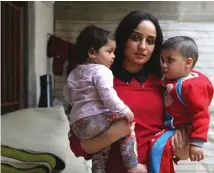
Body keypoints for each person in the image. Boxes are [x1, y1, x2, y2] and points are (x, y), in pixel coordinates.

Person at [68, 11, 190, 173]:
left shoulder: (166, 85)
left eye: (150, 41)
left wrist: (182, 152)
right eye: (136, 38)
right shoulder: (100, 82)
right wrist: (112, 135)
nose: (143, 47)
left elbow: (179, 133)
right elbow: (76, 146)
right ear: (123, 39)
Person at [64, 25, 146, 173]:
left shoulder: (75, 72)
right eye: (109, 51)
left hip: (77, 124)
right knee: (126, 127)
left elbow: (69, 96)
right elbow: (108, 95)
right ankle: (132, 165)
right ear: (92, 52)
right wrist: (123, 110)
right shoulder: (102, 70)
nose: (113, 56)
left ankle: (98, 170)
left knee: (102, 145)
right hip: (95, 120)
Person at [160, 36, 214, 162]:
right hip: (171, 127)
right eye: (162, 60)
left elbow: (201, 114)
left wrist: (196, 143)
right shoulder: (174, 77)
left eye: (170, 60)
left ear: (188, 63)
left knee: (157, 150)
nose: (163, 65)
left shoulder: (193, 86)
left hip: (183, 132)